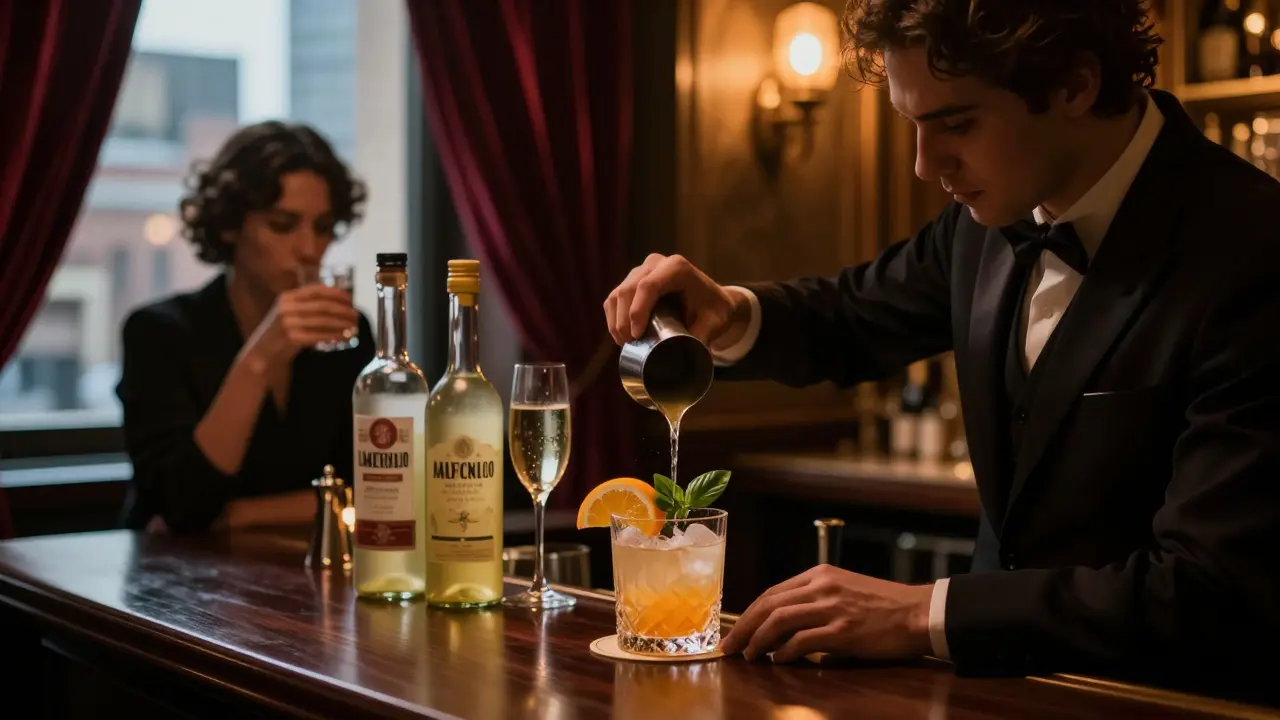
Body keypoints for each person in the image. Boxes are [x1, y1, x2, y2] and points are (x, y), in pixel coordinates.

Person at [605, 0, 1280, 698]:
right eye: (914, 126)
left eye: (955, 123)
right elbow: (850, 315)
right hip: (985, 698)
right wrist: (729, 310)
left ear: (1076, 85)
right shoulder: (982, 225)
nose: (927, 165)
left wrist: (920, 612)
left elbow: (1210, 591)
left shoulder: (1252, 251)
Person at [116, 121, 374, 534]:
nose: (309, 249)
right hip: (167, 582)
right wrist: (258, 359)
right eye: (283, 224)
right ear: (228, 225)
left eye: (323, 227)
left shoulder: (343, 329)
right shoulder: (159, 332)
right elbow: (178, 503)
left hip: (297, 571)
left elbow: (370, 490)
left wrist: (237, 515)